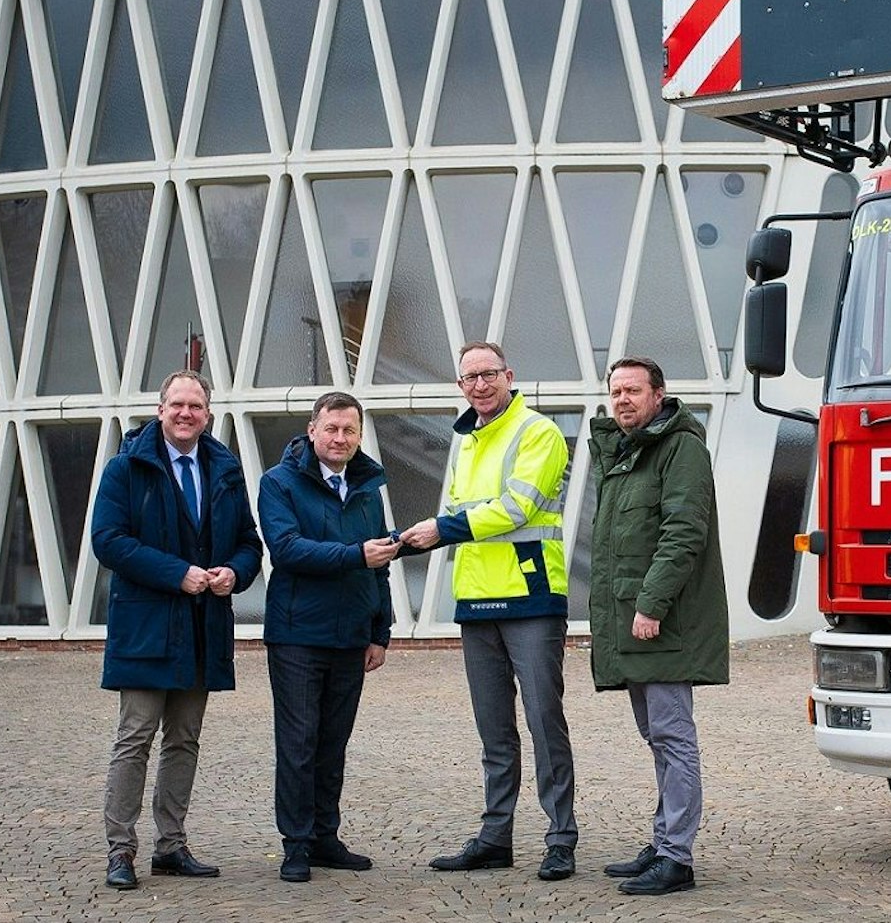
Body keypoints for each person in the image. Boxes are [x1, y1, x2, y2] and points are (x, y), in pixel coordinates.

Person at [398, 342, 578, 881]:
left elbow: (517, 508)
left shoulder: (538, 432)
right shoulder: (465, 441)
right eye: (469, 377)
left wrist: (443, 527)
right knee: (494, 730)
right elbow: (460, 512)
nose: (479, 384)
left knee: (544, 722)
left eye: (487, 374)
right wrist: (416, 537)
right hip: (477, 599)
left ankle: (560, 839)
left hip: (531, 596)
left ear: (509, 375)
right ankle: (496, 837)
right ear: (460, 385)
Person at [90, 370, 263, 891]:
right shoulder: (126, 467)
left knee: (184, 740)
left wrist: (235, 573)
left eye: (196, 406)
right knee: (135, 737)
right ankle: (121, 850)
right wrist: (176, 573)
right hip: (145, 625)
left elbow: (249, 541)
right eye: (177, 405)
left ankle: (171, 845)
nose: (186, 413)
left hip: (203, 625)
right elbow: (108, 541)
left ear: (208, 414)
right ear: (160, 409)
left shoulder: (224, 468)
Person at [587, 357, 729, 896]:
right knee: (658, 738)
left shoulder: (680, 447)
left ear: (659, 394)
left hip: (661, 621)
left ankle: (676, 858)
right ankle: (665, 838)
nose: (622, 400)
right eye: (616, 392)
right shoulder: (629, 451)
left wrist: (650, 605)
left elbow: (683, 532)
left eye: (633, 390)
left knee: (673, 738)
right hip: (637, 620)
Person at [256, 392, 399, 883]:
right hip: (297, 634)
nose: (340, 438)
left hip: (351, 635)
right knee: (298, 743)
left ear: (359, 436)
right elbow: (286, 549)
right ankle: (296, 844)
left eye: (349, 430)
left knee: (333, 743)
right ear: (312, 430)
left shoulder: (367, 488)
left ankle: (324, 837)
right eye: (332, 428)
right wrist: (355, 555)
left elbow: (381, 567)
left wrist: (380, 632)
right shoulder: (278, 483)